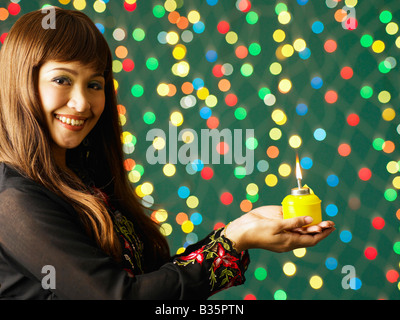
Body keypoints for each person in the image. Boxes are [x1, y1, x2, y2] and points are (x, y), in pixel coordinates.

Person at [0, 7, 335, 300]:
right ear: (21, 83)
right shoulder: (12, 199)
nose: (83, 102)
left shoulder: (82, 177)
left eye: (95, 84)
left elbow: (151, 281)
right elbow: (118, 296)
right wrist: (230, 243)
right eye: (62, 80)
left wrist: (240, 232)